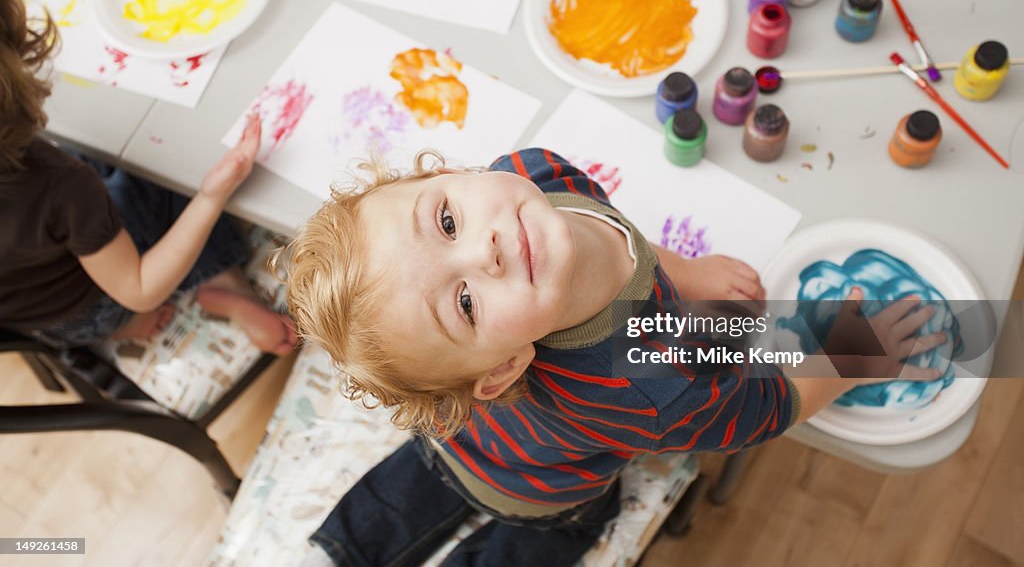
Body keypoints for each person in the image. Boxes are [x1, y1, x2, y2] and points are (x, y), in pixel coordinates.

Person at [282, 147, 944, 566]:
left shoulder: (530, 174)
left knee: (420, 474)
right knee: (549, 530)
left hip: (456, 434)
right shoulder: (652, 380)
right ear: (505, 365)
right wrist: (854, 350)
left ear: (449, 173)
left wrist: (687, 272)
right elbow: (763, 409)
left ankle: (348, 544)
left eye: (447, 221)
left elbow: (622, 239)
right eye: (464, 303)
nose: (483, 248)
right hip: (540, 488)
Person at [0, 0, 296, 355]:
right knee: (157, 164)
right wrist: (210, 196)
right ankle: (221, 285)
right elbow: (139, 288)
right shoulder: (59, 183)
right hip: (104, 303)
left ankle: (139, 315)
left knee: (91, 165)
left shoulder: (53, 186)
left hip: (43, 323)